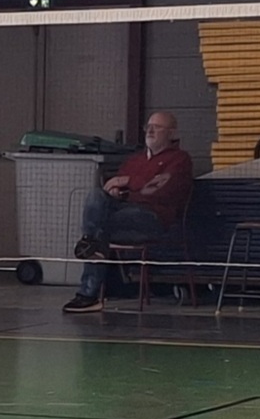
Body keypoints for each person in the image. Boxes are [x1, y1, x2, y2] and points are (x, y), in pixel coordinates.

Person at [63, 111, 193, 314]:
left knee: (100, 228)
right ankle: (91, 245)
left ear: (171, 133)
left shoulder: (180, 160)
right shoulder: (134, 161)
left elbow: (157, 190)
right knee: (96, 197)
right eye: (148, 126)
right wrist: (119, 192)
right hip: (124, 214)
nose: (150, 130)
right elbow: (126, 189)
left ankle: (88, 289)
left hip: (152, 218)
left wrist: (126, 182)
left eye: (157, 127)